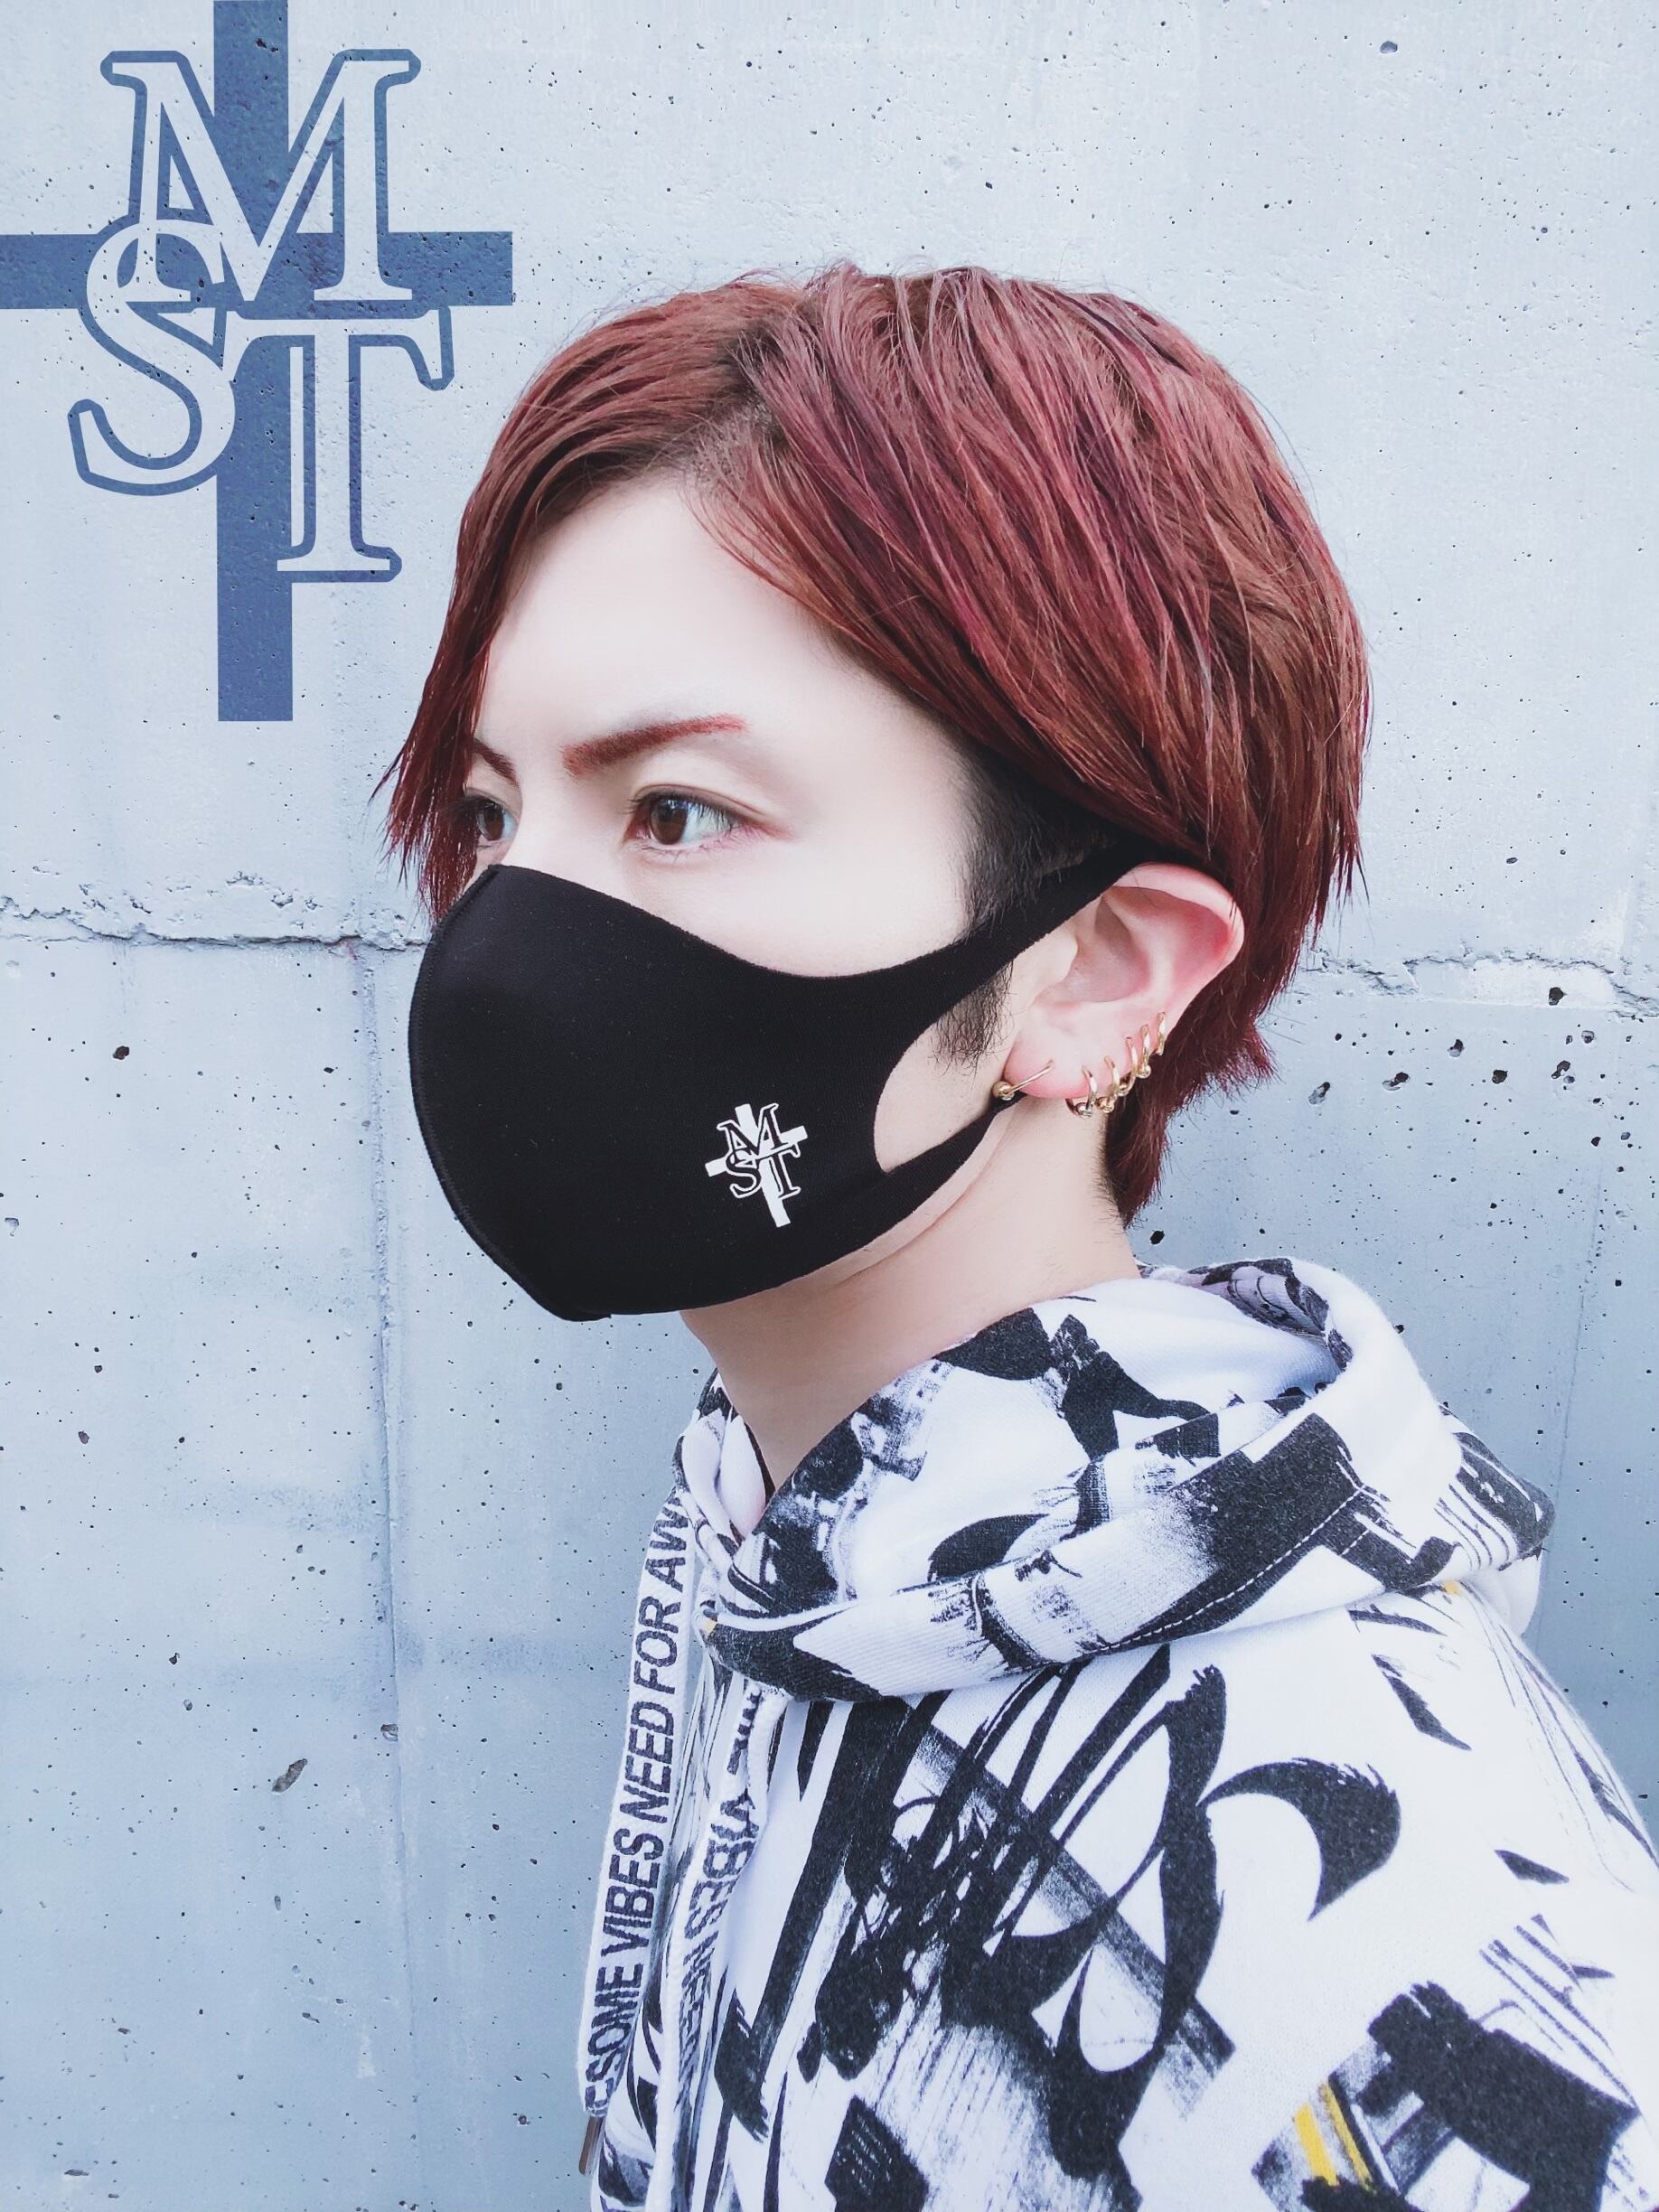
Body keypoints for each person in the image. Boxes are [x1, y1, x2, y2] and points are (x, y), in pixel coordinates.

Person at [384, 262, 1659, 2212]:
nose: (501, 948)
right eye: (491, 813)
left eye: (679, 812)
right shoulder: (792, 1523)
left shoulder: (1411, 1987)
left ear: (1096, 969)